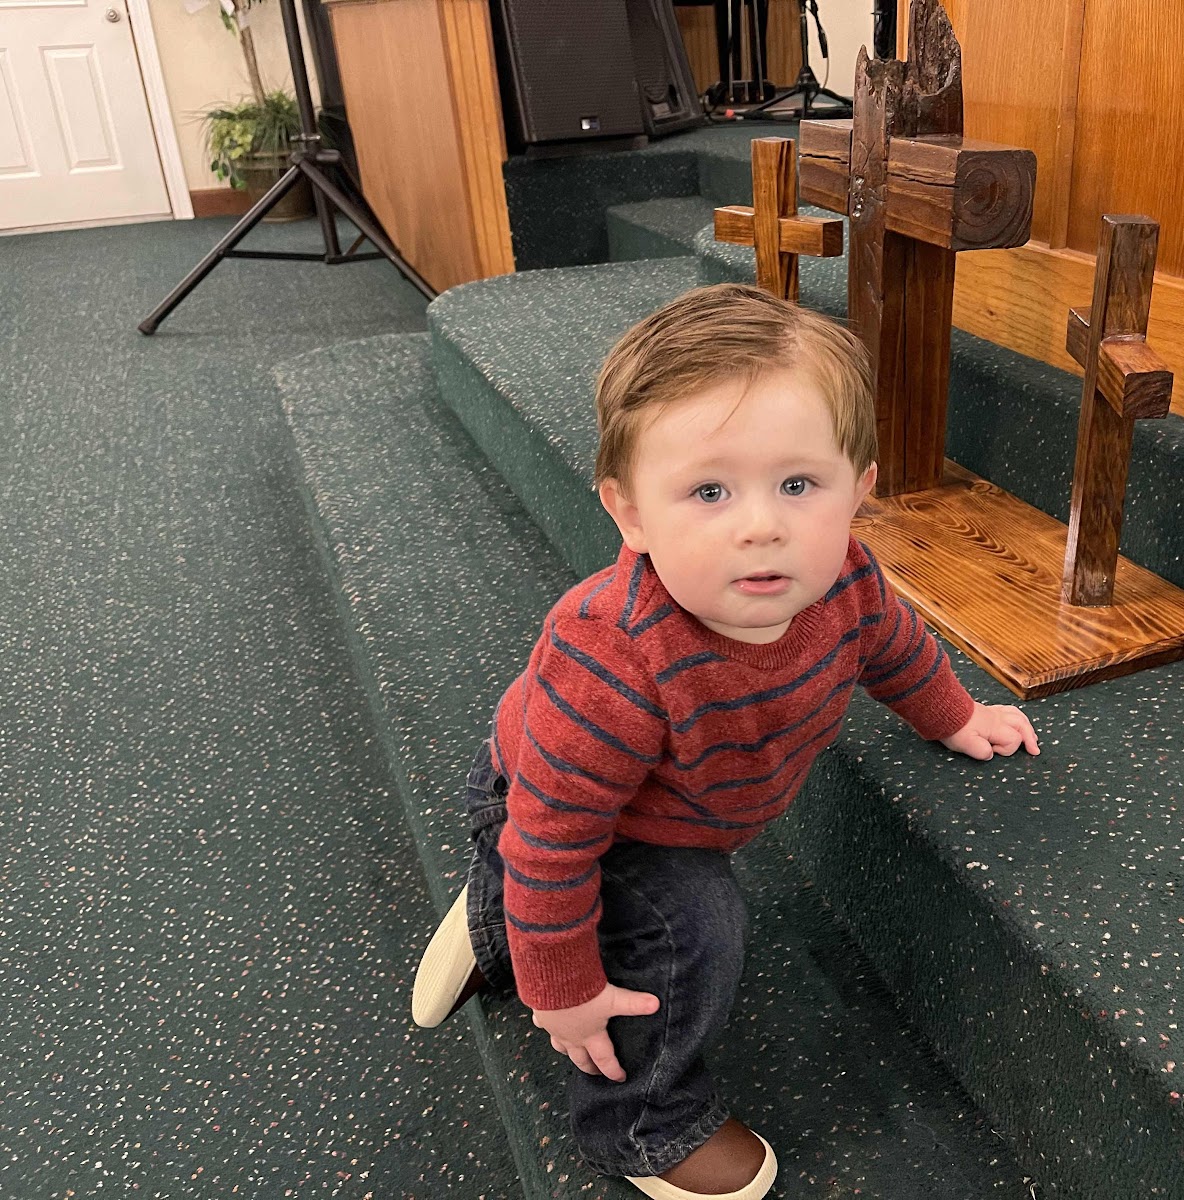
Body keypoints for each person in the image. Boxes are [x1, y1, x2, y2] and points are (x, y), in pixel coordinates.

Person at [411, 283, 1039, 1200]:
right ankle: (641, 1124)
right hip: (564, 813)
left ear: (860, 491)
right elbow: (553, 843)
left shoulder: (847, 579)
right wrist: (563, 988)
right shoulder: (615, 659)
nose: (762, 525)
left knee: (633, 906)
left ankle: (492, 914)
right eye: (709, 491)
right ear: (630, 513)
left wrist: (955, 715)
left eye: (799, 485)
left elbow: (896, 648)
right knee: (695, 929)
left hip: (668, 810)